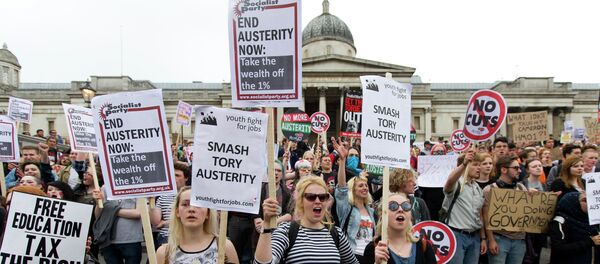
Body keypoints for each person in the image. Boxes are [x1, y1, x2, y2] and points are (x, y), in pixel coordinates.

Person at [254, 176, 359, 263]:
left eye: (322, 197)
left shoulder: (336, 233)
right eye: (311, 197)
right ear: (300, 202)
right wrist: (267, 224)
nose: (318, 201)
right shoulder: (286, 231)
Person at [156, 186, 239, 263]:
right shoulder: (164, 253)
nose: (191, 209)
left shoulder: (224, 246)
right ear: (177, 212)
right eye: (185, 204)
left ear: (208, 213)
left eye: (198, 204)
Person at [333, 137, 376, 263]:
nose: (365, 188)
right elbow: (341, 189)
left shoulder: (371, 211)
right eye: (360, 185)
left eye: (366, 185)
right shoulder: (347, 208)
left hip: (369, 257)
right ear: (353, 189)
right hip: (351, 255)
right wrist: (342, 161)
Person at [363, 192, 437, 264]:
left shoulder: (424, 247)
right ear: (383, 215)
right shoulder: (374, 249)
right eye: (393, 206)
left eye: (406, 206)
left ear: (410, 215)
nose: (400, 210)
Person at [442, 148, 486, 264]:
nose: (479, 168)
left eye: (480, 165)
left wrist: (483, 238)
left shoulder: (477, 188)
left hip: (474, 238)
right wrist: (464, 163)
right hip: (456, 236)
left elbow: (479, 215)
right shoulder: (457, 185)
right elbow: (449, 182)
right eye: (475, 165)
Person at [482, 155, 528, 264]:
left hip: (519, 241)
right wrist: (491, 240)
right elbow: (486, 217)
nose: (519, 171)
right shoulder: (490, 190)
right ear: (503, 169)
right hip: (499, 239)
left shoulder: (522, 188)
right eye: (516, 168)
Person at [549, 192, 600, 263]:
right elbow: (559, 249)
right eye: (585, 200)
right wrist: (590, 241)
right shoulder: (559, 221)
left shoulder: (590, 220)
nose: (589, 203)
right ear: (573, 203)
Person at [151, 162, 190, 247]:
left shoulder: (191, 195)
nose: (174, 178)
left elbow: (190, 218)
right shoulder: (162, 196)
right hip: (166, 237)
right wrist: (152, 201)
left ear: (186, 178)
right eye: (172, 175)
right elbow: (156, 222)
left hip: (186, 236)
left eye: (177, 175)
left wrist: (165, 222)